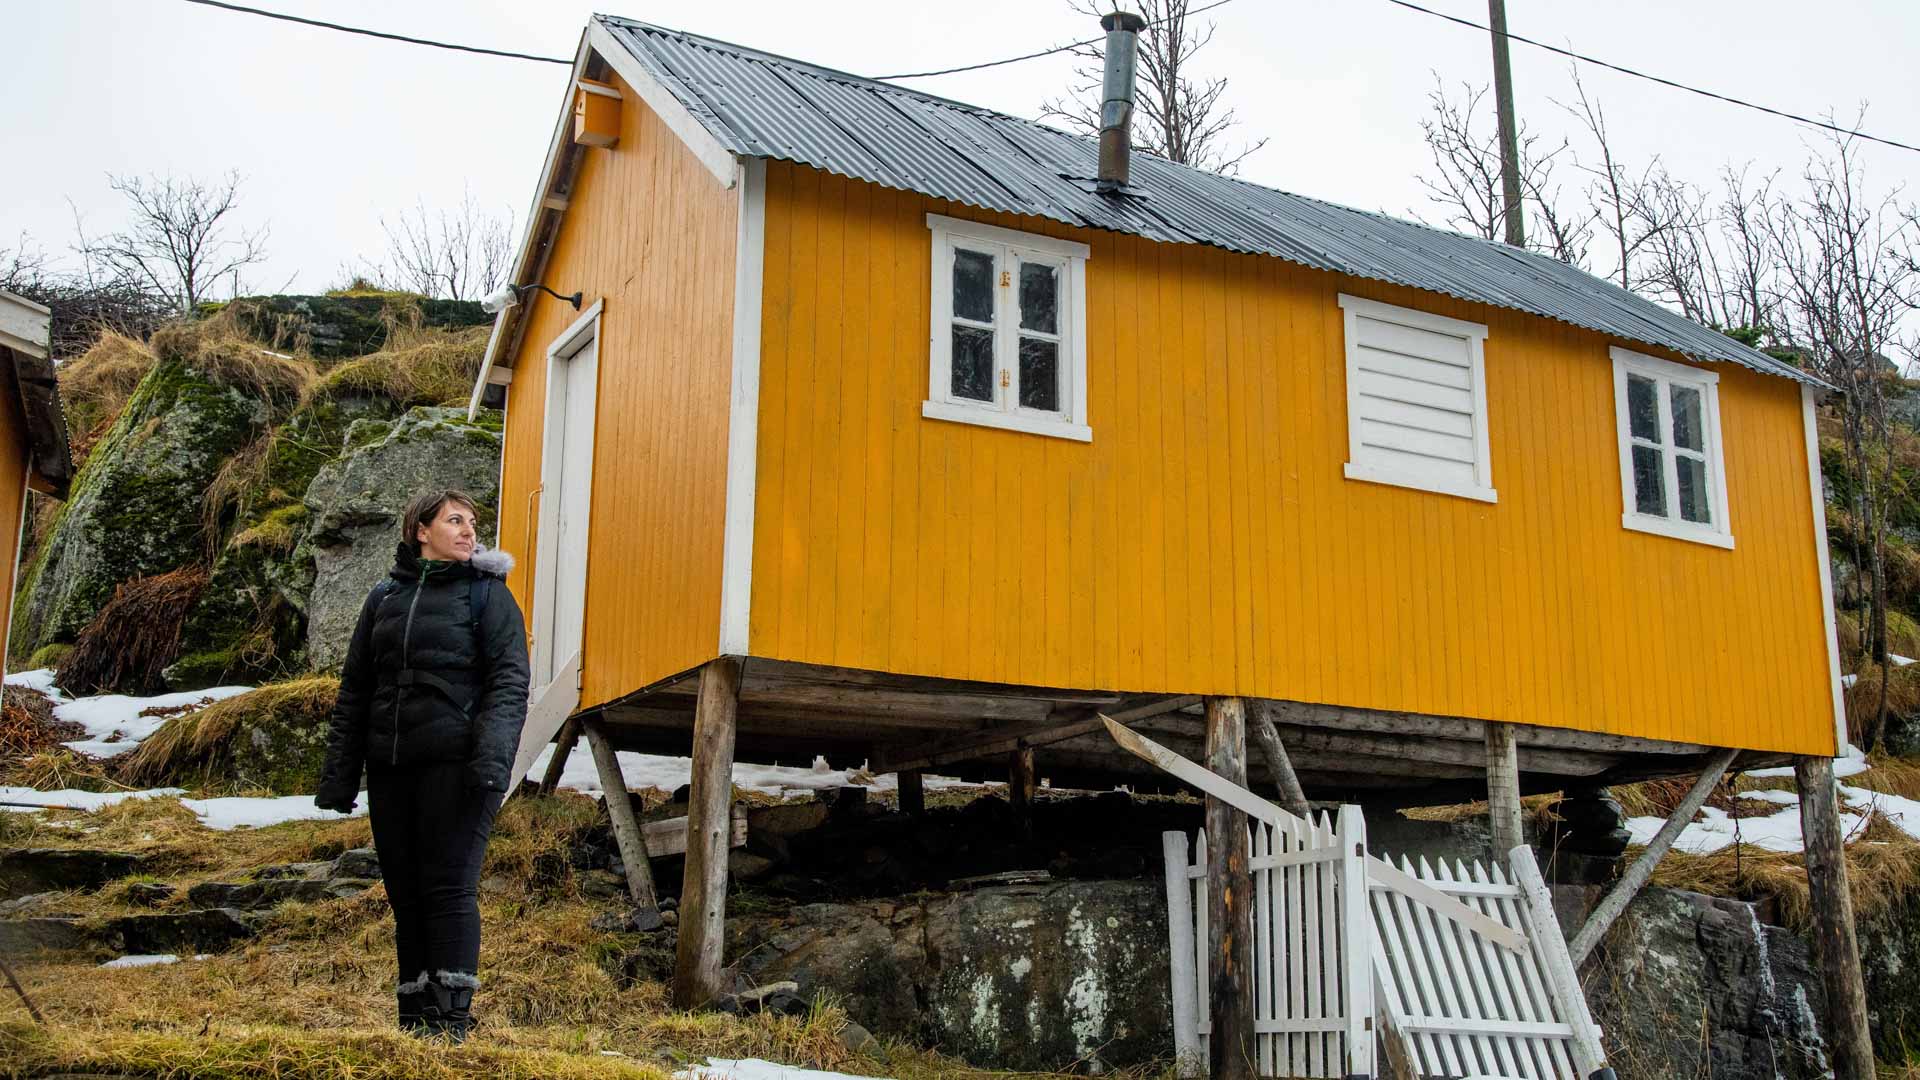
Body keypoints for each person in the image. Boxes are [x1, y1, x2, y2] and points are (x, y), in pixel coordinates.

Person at [314, 489, 530, 1041]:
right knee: (404, 894)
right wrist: (340, 779)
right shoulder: (384, 596)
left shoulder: (489, 597)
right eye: (454, 521)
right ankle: (415, 1023)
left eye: (472, 523)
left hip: (458, 766)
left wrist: (491, 764)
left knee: (449, 888)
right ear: (420, 531)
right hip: (391, 767)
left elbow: (509, 686)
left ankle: (453, 1023)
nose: (467, 531)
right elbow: (355, 690)